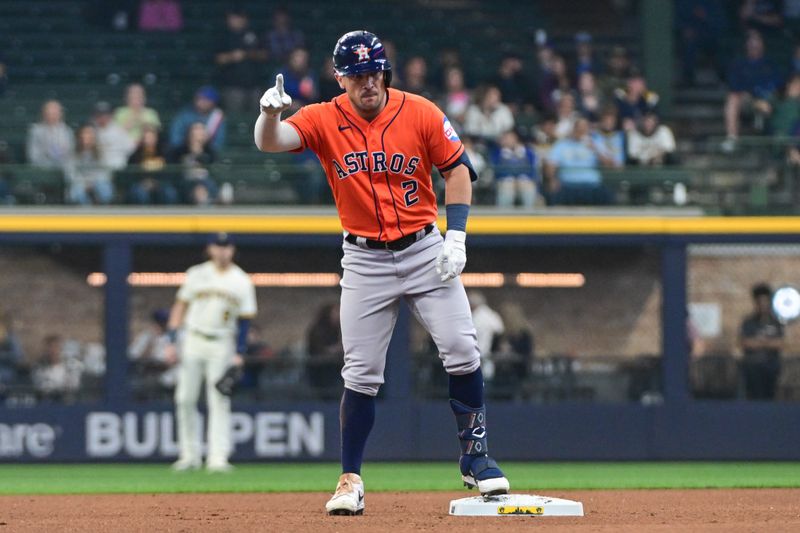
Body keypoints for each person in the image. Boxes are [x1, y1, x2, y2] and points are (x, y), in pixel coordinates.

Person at [255, 30, 510, 515]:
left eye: (374, 71)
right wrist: (269, 114)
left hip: (421, 247)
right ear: (340, 78)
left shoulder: (421, 111)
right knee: (362, 373)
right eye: (357, 74)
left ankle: (475, 458)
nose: (368, 82)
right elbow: (273, 143)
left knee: (462, 346)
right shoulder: (324, 116)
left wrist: (456, 235)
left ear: (384, 71)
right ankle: (349, 479)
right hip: (365, 258)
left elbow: (457, 169)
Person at [165, 232, 257, 472]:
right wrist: (171, 340)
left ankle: (218, 457)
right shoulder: (197, 273)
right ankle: (189, 455)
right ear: (210, 249)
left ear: (232, 250)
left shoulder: (241, 280)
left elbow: (245, 320)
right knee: (184, 398)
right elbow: (180, 306)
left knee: (219, 399)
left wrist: (239, 352)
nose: (222, 251)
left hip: (221, 342)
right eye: (218, 246)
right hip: (193, 338)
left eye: (226, 247)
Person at [723, 30, 782, 151]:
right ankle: (732, 138)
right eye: (751, 40)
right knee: (733, 98)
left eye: (757, 40)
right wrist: (752, 98)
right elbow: (734, 87)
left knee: (768, 101)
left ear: (763, 44)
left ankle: (771, 135)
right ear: (746, 44)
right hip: (747, 101)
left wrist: (764, 98)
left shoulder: (770, 64)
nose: (754, 44)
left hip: (767, 101)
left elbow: (777, 85)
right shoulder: (739, 64)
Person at [545, 117, 610, 205]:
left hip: (591, 186)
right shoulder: (561, 145)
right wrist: (552, 179)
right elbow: (551, 164)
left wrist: (595, 150)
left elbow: (609, 164)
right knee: (554, 192)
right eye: (579, 128)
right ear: (573, 129)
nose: (581, 131)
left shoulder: (595, 143)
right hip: (567, 185)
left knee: (606, 193)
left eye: (584, 128)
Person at [214, 7, 268, 113]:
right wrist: (232, 56)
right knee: (235, 114)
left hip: (254, 84)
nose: (234, 21)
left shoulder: (254, 34)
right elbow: (217, 59)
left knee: (257, 116)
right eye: (232, 18)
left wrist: (248, 54)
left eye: (237, 18)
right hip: (232, 86)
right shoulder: (224, 36)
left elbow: (265, 55)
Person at [738, 283, 784, 400]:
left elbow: (780, 343)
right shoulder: (748, 322)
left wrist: (760, 342)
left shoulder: (776, 322)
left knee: (770, 397)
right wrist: (766, 343)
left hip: (771, 367)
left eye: (765, 301)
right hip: (752, 367)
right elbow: (745, 343)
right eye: (760, 302)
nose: (763, 305)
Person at [128, 308, 176, 399]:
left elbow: (174, 360)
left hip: (169, 374)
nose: (162, 325)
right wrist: (150, 343)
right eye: (159, 322)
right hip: (147, 372)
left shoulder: (177, 336)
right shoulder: (147, 336)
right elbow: (134, 356)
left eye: (164, 322)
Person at [127, 125, 178, 204]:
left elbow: (170, 172)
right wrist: (145, 182)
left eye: (151, 137)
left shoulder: (164, 152)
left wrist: (156, 182)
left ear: (156, 138)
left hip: (161, 183)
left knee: (169, 192)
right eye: (146, 138)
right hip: (142, 184)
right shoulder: (135, 155)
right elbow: (132, 174)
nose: (148, 141)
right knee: (139, 193)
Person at [169, 122, 217, 205]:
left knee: (202, 188)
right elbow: (174, 170)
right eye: (195, 131)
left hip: (205, 182)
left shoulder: (210, 152)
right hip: (186, 182)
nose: (197, 135)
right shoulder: (179, 151)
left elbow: (214, 170)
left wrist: (199, 152)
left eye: (200, 131)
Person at [66, 125, 114, 204]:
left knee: (105, 190)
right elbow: (70, 173)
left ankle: (104, 213)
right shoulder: (72, 153)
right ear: (79, 136)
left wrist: (93, 183)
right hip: (79, 183)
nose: (87, 137)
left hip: (98, 182)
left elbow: (106, 172)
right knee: (77, 193)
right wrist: (84, 183)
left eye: (89, 134)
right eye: (84, 134)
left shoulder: (102, 152)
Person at [168, 86, 226, 152]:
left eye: (205, 99)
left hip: (207, 153)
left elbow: (217, 144)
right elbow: (175, 140)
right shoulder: (184, 115)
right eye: (199, 98)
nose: (201, 101)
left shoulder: (216, 116)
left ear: (213, 102)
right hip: (183, 151)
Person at [491, 130, 538, 209]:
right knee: (507, 187)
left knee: (527, 187)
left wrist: (521, 178)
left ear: (516, 139)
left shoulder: (528, 152)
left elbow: (533, 169)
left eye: (509, 138)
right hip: (505, 180)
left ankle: (529, 214)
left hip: (524, 180)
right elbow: (495, 170)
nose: (506, 140)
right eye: (504, 138)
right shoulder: (497, 152)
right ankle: (503, 215)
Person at [306, 303, 345, 399]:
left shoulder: (338, 329)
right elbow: (317, 349)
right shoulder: (317, 329)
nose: (338, 315)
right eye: (335, 312)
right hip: (320, 369)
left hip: (335, 367)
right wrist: (334, 349)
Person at [26, 100, 74, 170]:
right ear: (44, 114)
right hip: (41, 168)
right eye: (49, 113)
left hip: (64, 168)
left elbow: (71, 153)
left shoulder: (67, 131)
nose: (51, 116)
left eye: (55, 113)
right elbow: (33, 155)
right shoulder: (35, 131)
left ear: (60, 114)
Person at [468, 291, 504, 382]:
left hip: (475, 358)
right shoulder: (493, 315)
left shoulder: (474, 317)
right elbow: (500, 331)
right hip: (488, 358)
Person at [91, 101, 135, 171]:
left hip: (117, 168)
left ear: (110, 115)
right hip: (97, 170)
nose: (103, 117)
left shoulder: (119, 130)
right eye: (99, 115)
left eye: (105, 114)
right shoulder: (91, 131)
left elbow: (131, 148)